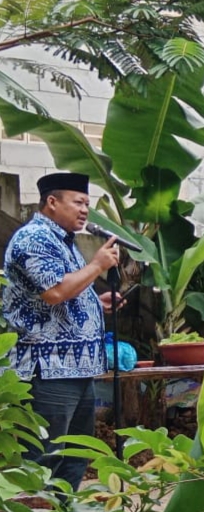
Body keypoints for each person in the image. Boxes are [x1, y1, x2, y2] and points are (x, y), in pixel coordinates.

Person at [4, 173, 122, 492]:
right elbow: (55, 291)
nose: (85, 210)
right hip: (48, 368)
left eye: (87, 204)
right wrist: (97, 265)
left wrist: (95, 301)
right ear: (52, 202)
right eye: (78, 202)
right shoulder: (34, 239)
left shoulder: (62, 240)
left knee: (75, 454)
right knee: (44, 456)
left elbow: (66, 290)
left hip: (76, 367)